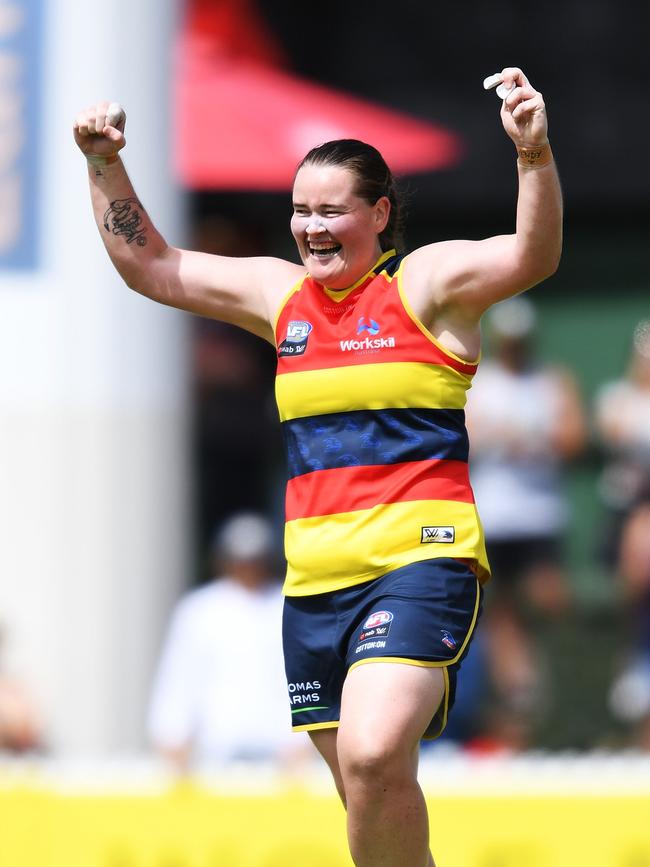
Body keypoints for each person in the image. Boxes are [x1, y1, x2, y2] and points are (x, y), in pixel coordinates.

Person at [74, 67, 562, 867]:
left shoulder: (426, 286)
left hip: (418, 563)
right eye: (300, 211)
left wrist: (533, 155)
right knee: (369, 797)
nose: (312, 227)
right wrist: (103, 163)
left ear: (379, 213)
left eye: (331, 209)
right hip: (313, 591)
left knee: (374, 754)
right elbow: (150, 266)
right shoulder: (283, 297)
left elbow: (532, 256)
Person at [465, 296, 586, 747]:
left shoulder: (553, 381)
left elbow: (573, 436)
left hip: (540, 515)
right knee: (501, 612)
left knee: (549, 598)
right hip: (493, 516)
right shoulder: (479, 382)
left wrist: (528, 437)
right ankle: (518, 697)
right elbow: (468, 436)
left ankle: (557, 680)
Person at [146, 512, 306, 771]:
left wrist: (304, 739)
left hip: (281, 751)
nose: (248, 567)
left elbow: (302, 675)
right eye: (240, 560)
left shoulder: (287, 606)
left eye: (255, 560)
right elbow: (179, 675)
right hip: (215, 749)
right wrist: (172, 735)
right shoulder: (199, 609)